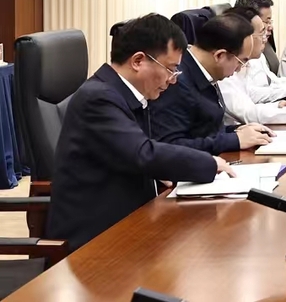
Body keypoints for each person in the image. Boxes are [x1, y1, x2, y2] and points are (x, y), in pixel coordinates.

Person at [47, 15, 233, 250]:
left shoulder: (127, 95)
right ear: (138, 61)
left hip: (130, 221)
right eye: (170, 69)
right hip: (95, 240)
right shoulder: (98, 98)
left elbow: (133, 150)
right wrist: (209, 163)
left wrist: (161, 171)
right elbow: (143, 153)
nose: (172, 80)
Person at [151, 13, 275, 154]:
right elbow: (170, 145)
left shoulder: (204, 72)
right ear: (220, 55)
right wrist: (234, 140)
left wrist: (236, 131)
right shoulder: (176, 80)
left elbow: (204, 130)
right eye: (241, 62)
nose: (240, 69)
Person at [234, 0, 286, 101]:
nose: (270, 27)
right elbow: (250, 95)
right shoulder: (237, 57)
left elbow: (272, 81)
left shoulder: (258, 53)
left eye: (270, 21)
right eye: (266, 22)